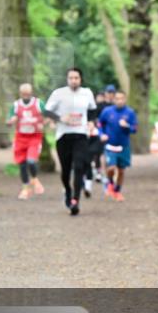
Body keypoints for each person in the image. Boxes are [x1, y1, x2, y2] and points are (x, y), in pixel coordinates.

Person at [44, 68, 98, 216]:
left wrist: (92, 122)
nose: (74, 81)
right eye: (71, 78)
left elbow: (92, 110)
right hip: (63, 136)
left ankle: (75, 200)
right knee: (66, 170)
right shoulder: (58, 93)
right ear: (67, 79)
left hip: (81, 135)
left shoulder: (87, 93)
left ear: (81, 79)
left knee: (79, 166)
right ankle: (68, 190)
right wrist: (60, 118)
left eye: (76, 78)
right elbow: (46, 111)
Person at [6, 83, 47, 200]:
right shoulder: (16, 105)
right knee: (22, 165)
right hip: (20, 138)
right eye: (24, 94)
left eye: (28, 94)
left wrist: (43, 124)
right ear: (20, 94)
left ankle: (34, 179)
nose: (26, 96)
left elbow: (48, 116)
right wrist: (11, 121)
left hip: (34, 137)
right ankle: (25, 189)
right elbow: (9, 120)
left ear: (31, 93)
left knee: (31, 161)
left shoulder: (38, 103)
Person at [98, 90, 138, 201]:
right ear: (113, 99)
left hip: (123, 146)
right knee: (111, 168)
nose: (119, 101)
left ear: (125, 99)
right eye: (117, 98)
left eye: (122, 98)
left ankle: (117, 191)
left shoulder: (130, 112)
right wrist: (101, 134)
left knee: (121, 171)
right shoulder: (107, 111)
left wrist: (127, 126)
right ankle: (110, 183)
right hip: (110, 145)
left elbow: (135, 129)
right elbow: (100, 124)